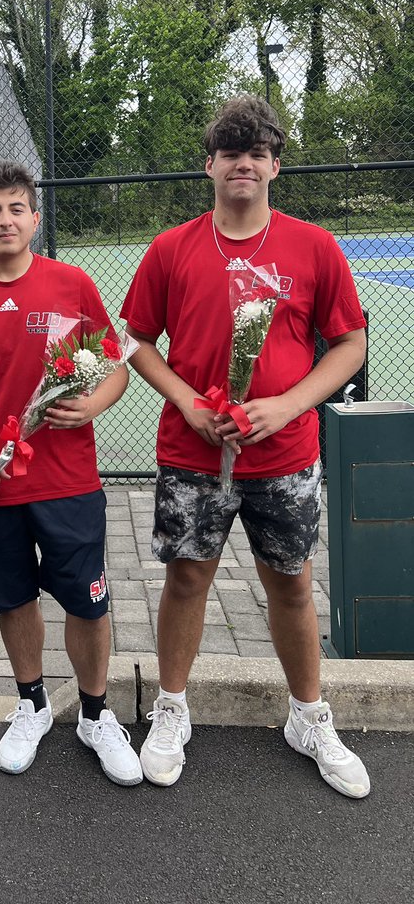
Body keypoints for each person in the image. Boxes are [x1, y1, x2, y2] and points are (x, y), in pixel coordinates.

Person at [121, 94, 370, 798]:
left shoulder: (313, 246)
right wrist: (190, 402)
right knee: (187, 578)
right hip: (193, 455)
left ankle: (309, 715)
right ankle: (171, 708)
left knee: (290, 583)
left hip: (286, 457)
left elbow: (348, 344)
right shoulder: (172, 248)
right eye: (231, 152)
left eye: (256, 152)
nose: (243, 163)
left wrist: (290, 404)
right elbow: (134, 341)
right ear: (210, 165)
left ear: (275, 167)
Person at [0, 160, 140, 785]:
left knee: (87, 604)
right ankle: (32, 703)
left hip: (68, 482)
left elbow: (116, 365)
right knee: (12, 598)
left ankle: (96, 714)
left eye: (16, 208)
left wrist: (91, 405)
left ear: (35, 219)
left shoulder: (72, 284)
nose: (5, 220)